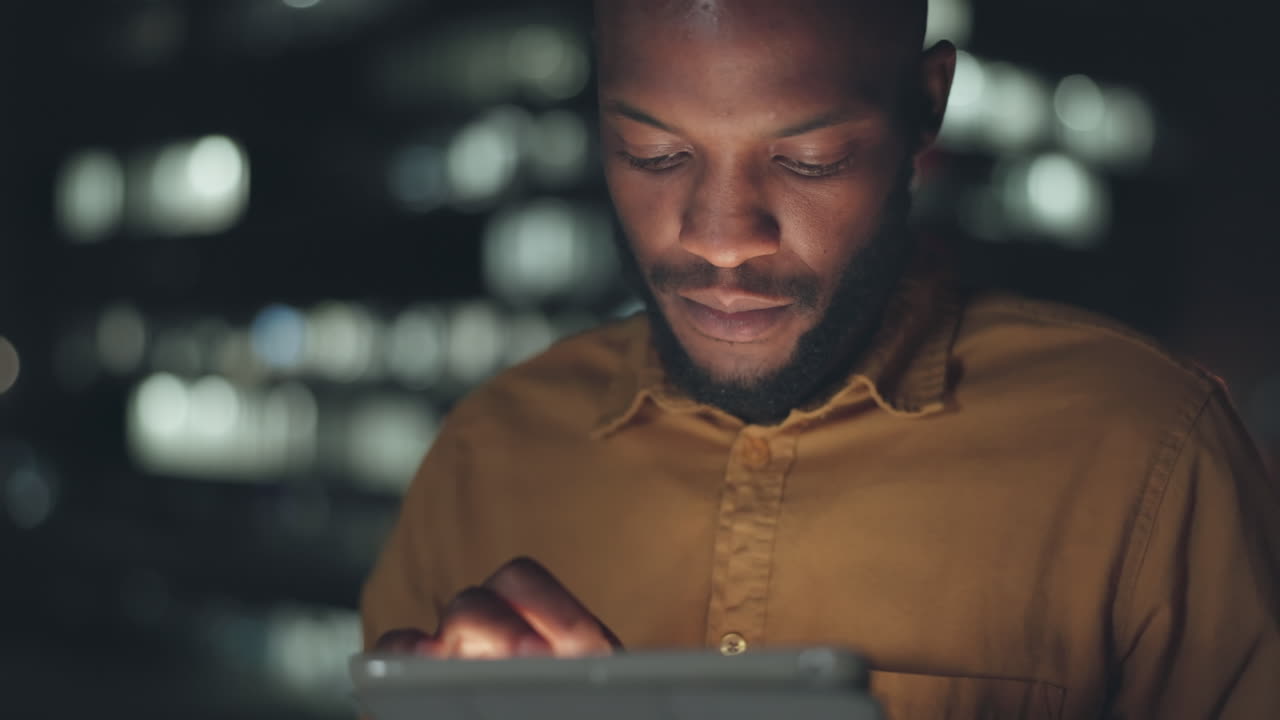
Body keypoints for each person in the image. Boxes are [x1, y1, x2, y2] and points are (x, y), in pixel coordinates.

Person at [360, 1, 1280, 717]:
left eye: (808, 160)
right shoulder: (484, 459)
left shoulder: (1150, 463)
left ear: (926, 110)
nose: (722, 240)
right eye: (653, 151)